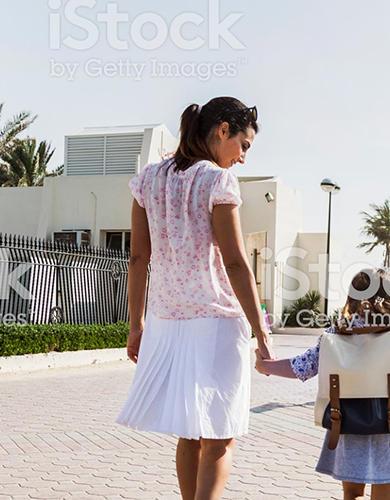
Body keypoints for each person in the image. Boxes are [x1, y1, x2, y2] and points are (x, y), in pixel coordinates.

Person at [115, 96, 272, 500]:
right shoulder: (216, 180)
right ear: (222, 131)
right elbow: (236, 263)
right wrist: (261, 331)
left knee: (189, 434)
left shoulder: (148, 179)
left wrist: (137, 326)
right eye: (244, 145)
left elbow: (137, 258)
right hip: (216, 322)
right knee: (220, 434)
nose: (242, 158)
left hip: (167, 321)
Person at [255, 270, 390, 500]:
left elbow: (303, 366)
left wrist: (265, 366)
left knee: (351, 494)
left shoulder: (337, 331)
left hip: (346, 423)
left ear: (351, 297)